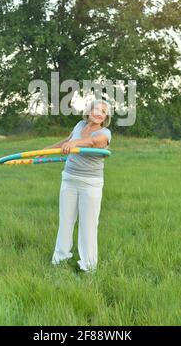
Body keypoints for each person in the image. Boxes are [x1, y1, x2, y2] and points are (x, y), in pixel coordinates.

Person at [46, 99, 112, 273]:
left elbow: (94, 143)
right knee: (65, 221)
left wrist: (75, 144)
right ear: (89, 111)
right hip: (69, 179)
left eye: (103, 111)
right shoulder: (79, 125)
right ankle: (60, 259)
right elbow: (66, 142)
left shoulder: (105, 133)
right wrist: (43, 152)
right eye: (96, 108)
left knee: (88, 225)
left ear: (105, 117)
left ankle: (88, 266)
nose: (99, 113)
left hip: (90, 184)